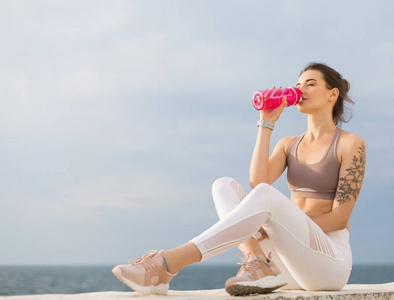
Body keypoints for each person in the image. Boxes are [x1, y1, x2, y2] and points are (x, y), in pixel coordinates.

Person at [112, 62, 366, 296]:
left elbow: (339, 218)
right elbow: (258, 181)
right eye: (299, 85)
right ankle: (257, 263)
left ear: (333, 94)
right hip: (287, 261)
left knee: (268, 197)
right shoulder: (289, 144)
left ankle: (167, 263)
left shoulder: (349, 143)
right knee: (223, 185)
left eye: (310, 84)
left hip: (328, 261)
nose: (300, 90)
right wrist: (266, 122)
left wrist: (276, 229)